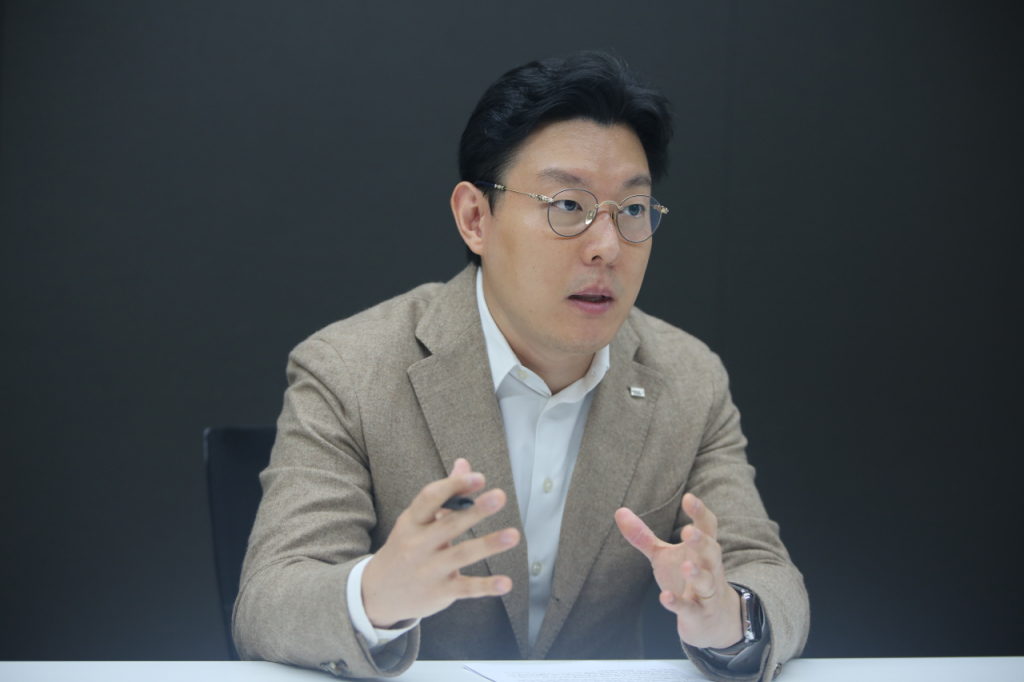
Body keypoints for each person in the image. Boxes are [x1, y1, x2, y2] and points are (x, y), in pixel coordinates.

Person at [233, 51, 809, 681]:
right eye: (568, 205)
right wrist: (376, 594)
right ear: (475, 219)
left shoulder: (688, 378)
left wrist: (728, 615)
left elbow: (766, 571)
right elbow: (269, 600)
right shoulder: (348, 368)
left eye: (632, 210)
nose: (606, 246)